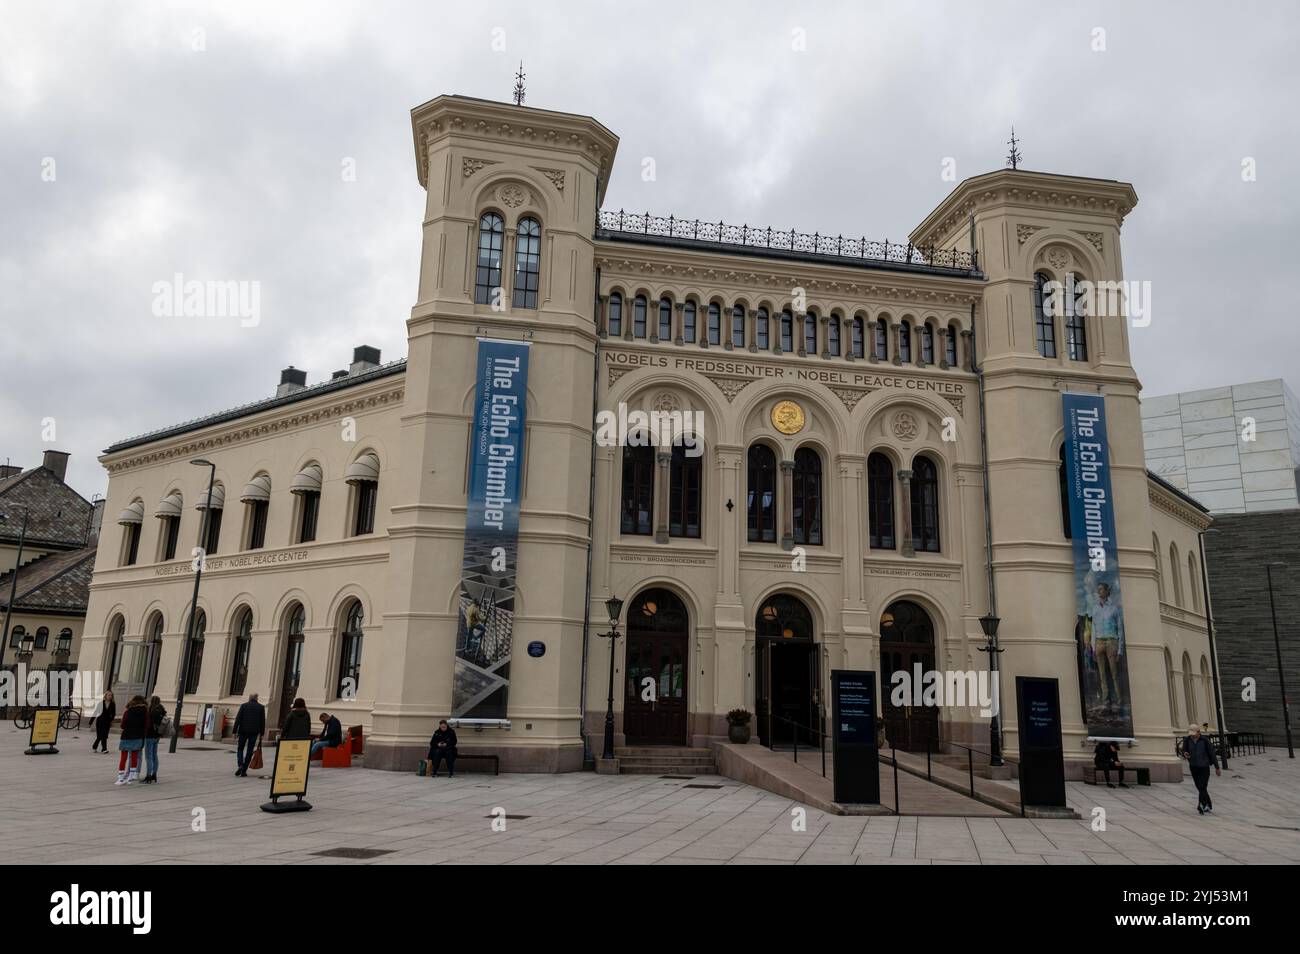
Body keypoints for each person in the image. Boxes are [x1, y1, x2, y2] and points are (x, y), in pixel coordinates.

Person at [1087, 582, 1125, 712]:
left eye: (1101, 589)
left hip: (1111, 641)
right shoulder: (1095, 609)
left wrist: (1120, 649)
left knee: (1114, 673)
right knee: (1102, 674)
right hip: (1099, 642)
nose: (1099, 592)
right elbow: (1093, 628)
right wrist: (1093, 647)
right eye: (1098, 590)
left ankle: (1119, 699)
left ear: (1107, 591)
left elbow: (1119, 629)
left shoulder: (1114, 609)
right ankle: (1106, 700)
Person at [1182, 723, 1221, 814]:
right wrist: (1185, 753)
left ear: (1198, 732)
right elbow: (1184, 750)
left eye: (1194, 734)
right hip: (1193, 766)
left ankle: (1201, 805)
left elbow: (1212, 754)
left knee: (1202, 786)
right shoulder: (1187, 740)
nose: (1192, 736)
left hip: (1204, 767)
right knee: (1199, 787)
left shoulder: (1205, 741)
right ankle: (1208, 804)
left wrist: (1217, 767)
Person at [116, 695, 148, 785]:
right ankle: (131, 777)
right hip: (138, 736)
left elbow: (122, 725)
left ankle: (120, 778)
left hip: (126, 736)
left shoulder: (128, 711)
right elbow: (146, 725)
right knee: (134, 757)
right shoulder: (145, 712)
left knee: (124, 757)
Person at [233, 692, 265, 777]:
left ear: (249, 698)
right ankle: (244, 770)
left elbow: (238, 719)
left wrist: (234, 731)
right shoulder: (261, 707)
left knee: (240, 748)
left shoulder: (244, 705)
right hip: (254, 732)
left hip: (243, 731)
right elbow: (262, 722)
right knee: (249, 751)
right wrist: (262, 733)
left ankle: (240, 764)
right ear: (257, 698)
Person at [140, 695, 166, 784]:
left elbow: (149, 723)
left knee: (149, 756)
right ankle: (154, 774)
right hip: (157, 735)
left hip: (150, 735)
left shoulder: (152, 710)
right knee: (155, 755)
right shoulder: (162, 710)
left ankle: (148, 775)